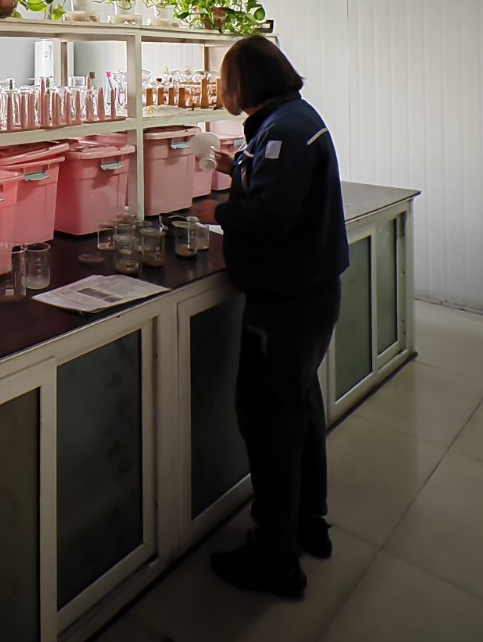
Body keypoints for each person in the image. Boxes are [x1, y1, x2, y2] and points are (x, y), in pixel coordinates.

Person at [194, 35, 347, 601]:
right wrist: (236, 163)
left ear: (244, 83)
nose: (221, 89)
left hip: (286, 302)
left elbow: (271, 214)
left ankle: (275, 559)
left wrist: (214, 210)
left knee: (269, 424)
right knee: (299, 410)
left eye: (224, 79)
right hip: (309, 293)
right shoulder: (290, 119)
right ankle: (308, 523)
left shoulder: (281, 130)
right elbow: (278, 181)